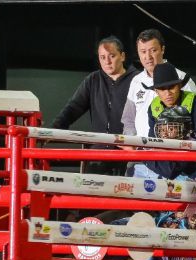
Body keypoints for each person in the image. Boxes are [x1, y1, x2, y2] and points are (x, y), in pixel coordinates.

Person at [51, 36, 138, 175]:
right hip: (98, 152)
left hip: (128, 153)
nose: (107, 61)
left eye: (112, 56)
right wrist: (52, 131)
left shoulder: (137, 80)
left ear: (122, 56)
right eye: (102, 57)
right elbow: (73, 108)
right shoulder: (93, 80)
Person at [128, 62, 196, 181]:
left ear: (180, 85)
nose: (168, 93)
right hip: (167, 164)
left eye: (171, 87)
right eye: (162, 89)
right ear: (156, 91)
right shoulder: (153, 107)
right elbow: (154, 141)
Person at [121, 29, 196, 138]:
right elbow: (128, 120)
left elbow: (192, 120)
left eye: (153, 50)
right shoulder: (136, 81)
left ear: (162, 49)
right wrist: (130, 145)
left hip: (171, 150)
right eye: (143, 51)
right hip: (140, 150)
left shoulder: (182, 80)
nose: (148, 57)